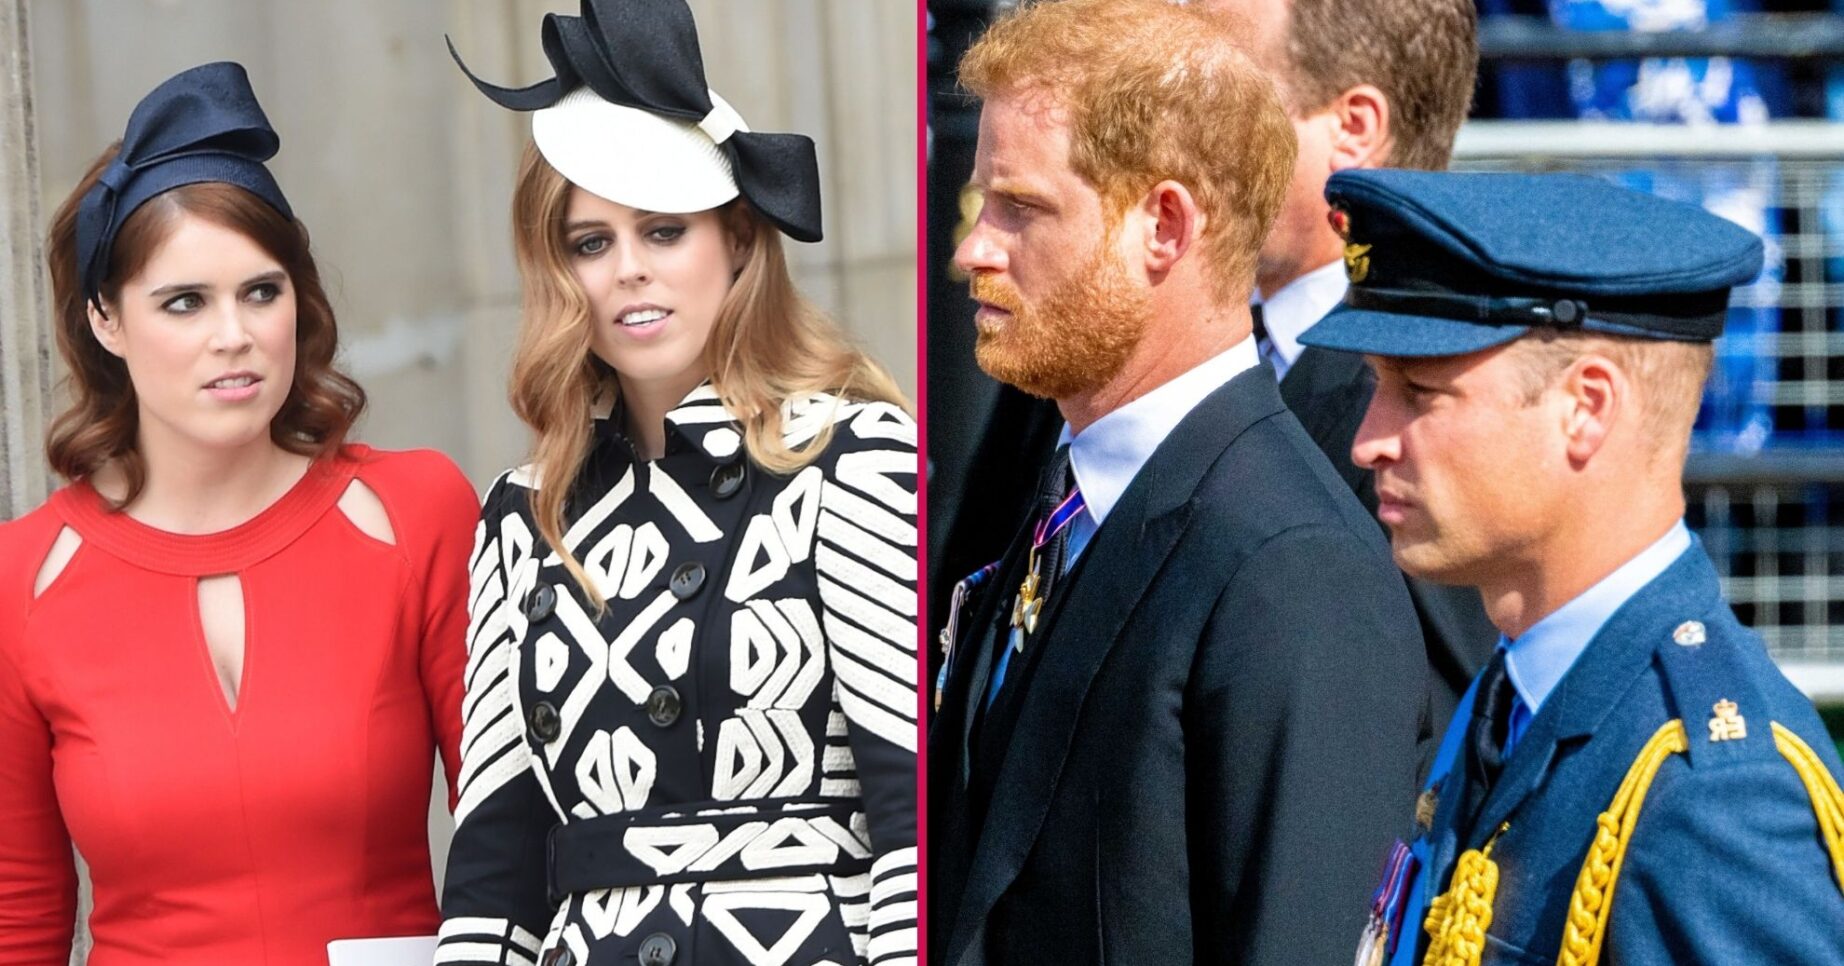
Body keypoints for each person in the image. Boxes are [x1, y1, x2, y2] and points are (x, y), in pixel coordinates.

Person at [928, 2, 1425, 964]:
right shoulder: (1065, 501)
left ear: (1163, 225)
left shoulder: (1295, 572)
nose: (974, 250)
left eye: (1021, 208)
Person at [437, 2, 919, 964]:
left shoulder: (854, 457)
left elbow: (911, 811)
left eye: (664, 232)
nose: (628, 273)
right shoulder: (521, 516)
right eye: (590, 242)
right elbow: (496, 858)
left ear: (737, 242)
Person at [1299, 168, 1844, 964]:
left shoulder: (1713, 796)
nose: (1368, 441)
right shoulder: (1516, 691)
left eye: (1418, 392)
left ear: (1586, 408)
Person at [0, 63, 476, 962]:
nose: (236, 335)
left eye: (262, 291)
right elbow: (17, 917)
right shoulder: (19, 580)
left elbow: (512, 836)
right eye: (185, 302)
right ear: (106, 319)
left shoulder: (416, 510)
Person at [1197, 0, 1496, 732]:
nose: (1172, 130)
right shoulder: (1138, 342)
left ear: (1353, 129)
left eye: (1217, 93)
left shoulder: (1443, 395)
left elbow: (1438, 739)